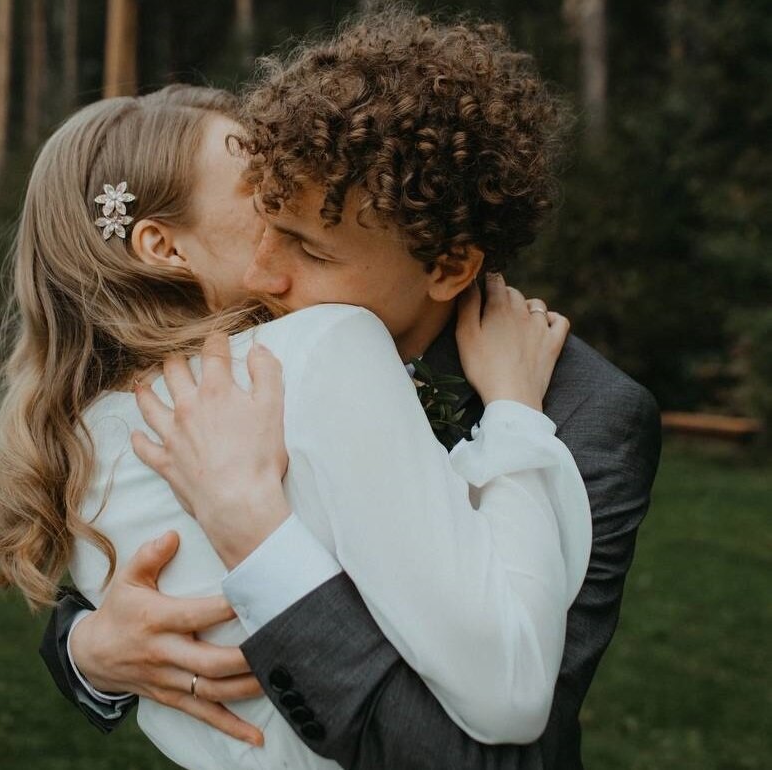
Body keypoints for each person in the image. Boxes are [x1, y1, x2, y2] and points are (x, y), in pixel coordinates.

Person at [39, 10, 661, 770]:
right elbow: (138, 544)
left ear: (448, 267)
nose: (261, 274)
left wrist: (252, 530)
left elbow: (487, 757)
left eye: (307, 248)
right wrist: (87, 652)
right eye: (265, 223)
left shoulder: (590, 412)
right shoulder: (235, 359)